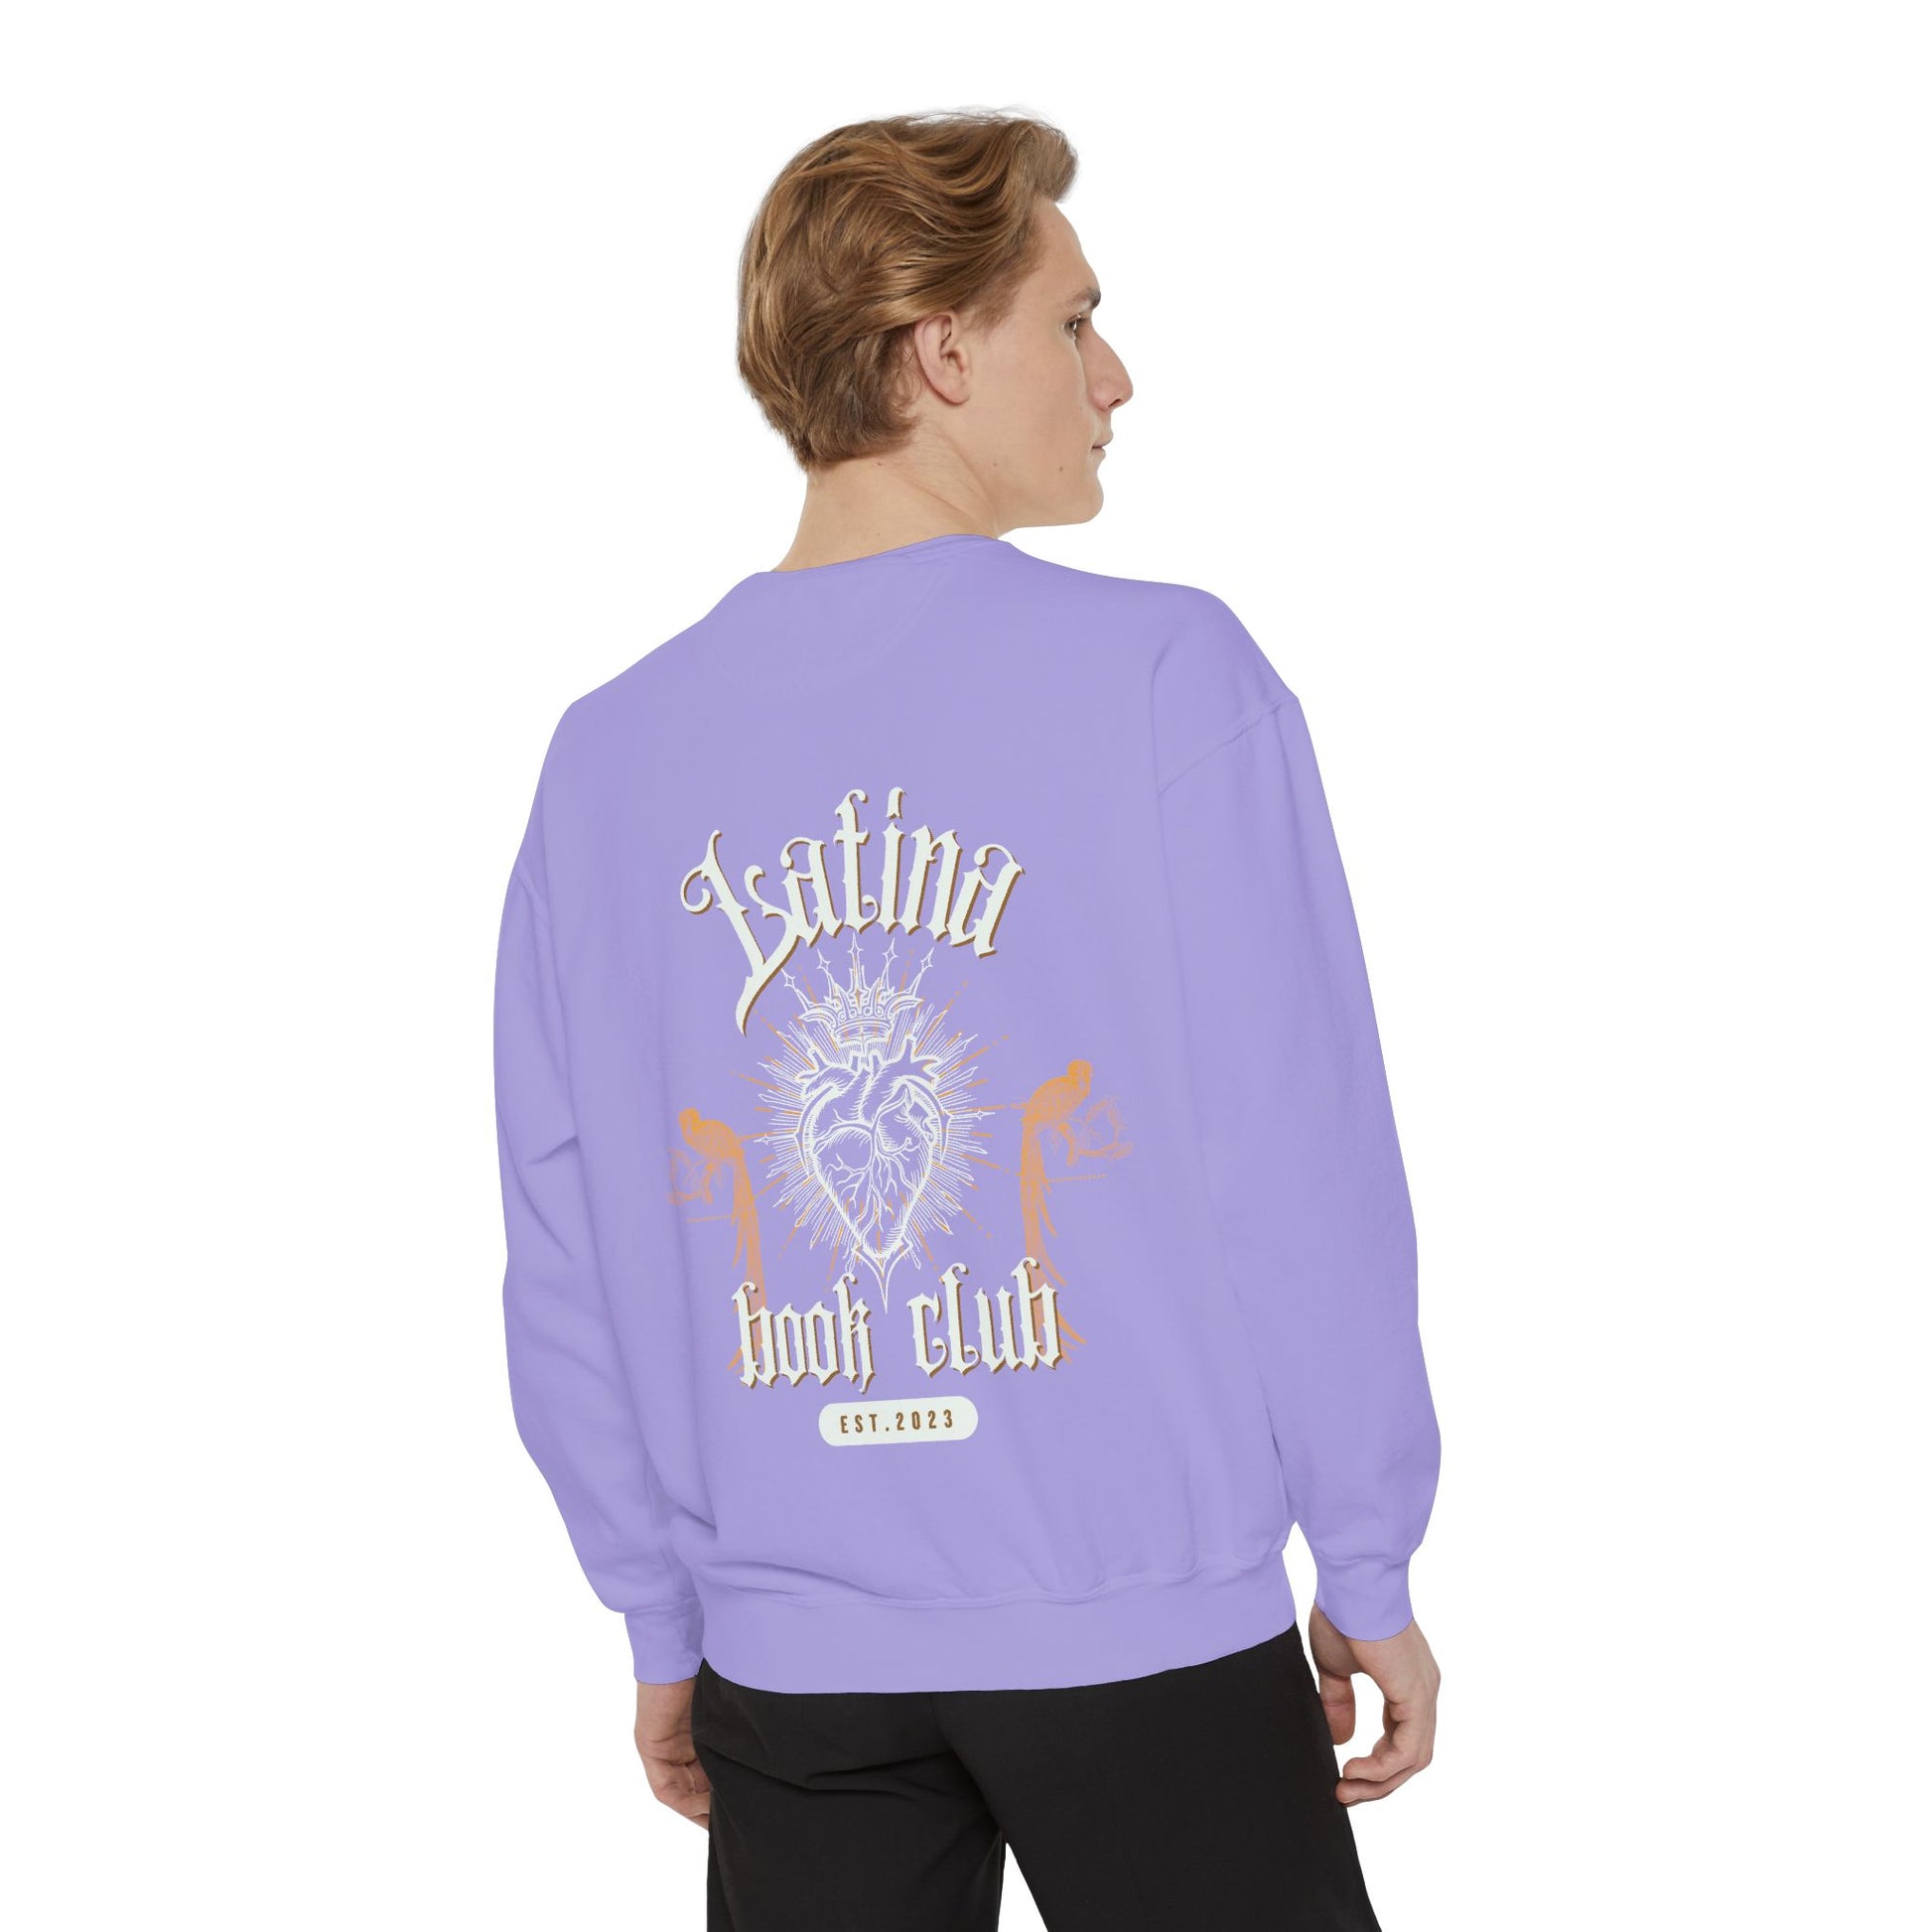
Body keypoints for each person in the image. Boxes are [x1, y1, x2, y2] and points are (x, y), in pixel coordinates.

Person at [492, 109, 1443, 1931]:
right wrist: (1369, 1554)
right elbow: (1295, 1157)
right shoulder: (1168, 676)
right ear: (938, 348)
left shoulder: (606, 759)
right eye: (1071, 321)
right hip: (1141, 1634)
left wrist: (661, 1612)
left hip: (794, 1663)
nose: (1114, 374)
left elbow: (568, 1246)